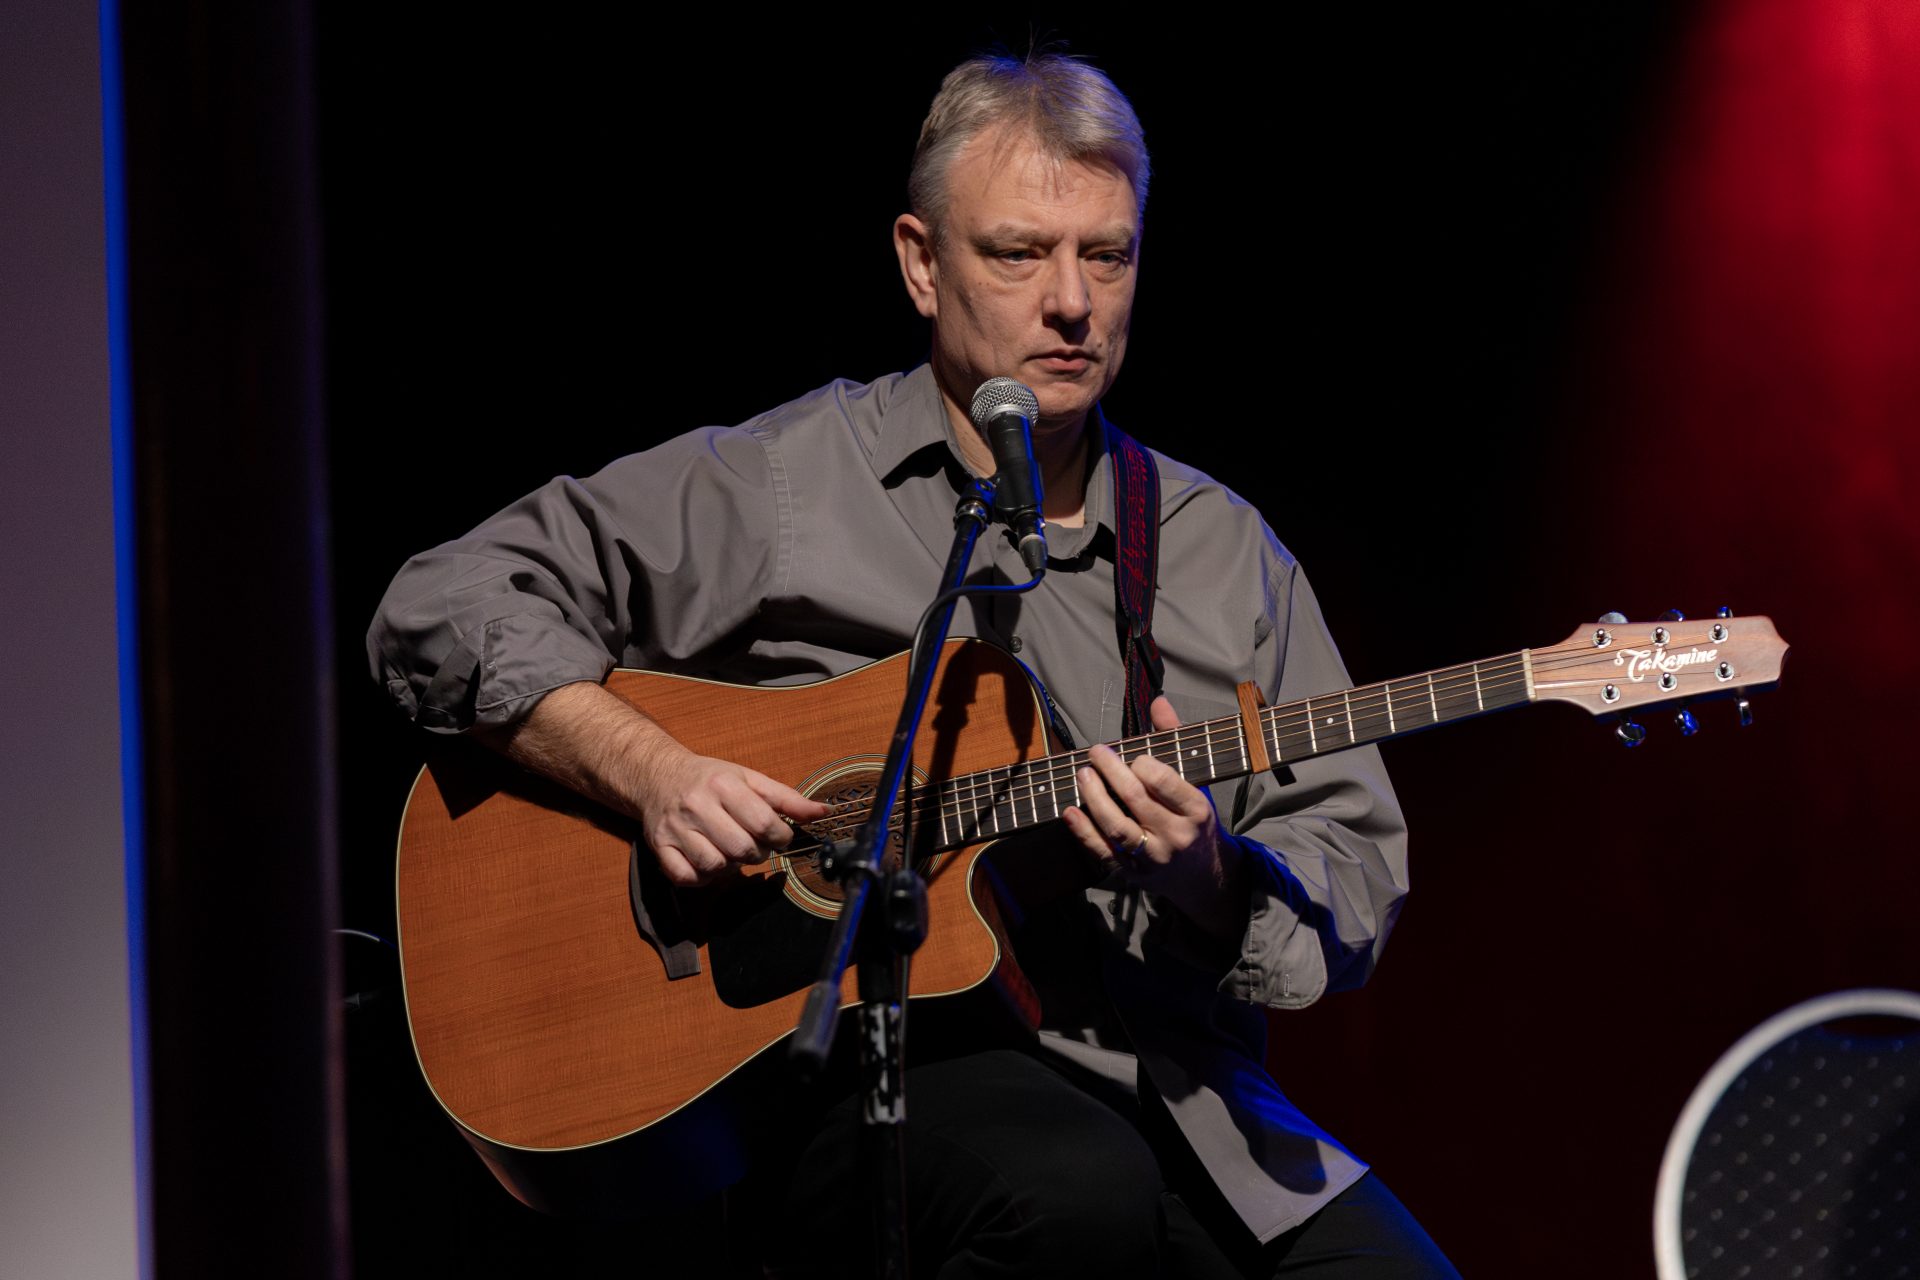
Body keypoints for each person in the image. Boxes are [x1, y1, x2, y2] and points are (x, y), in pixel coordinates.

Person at [370, 52, 1456, 1278]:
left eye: (1107, 255)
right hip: (869, 1082)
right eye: (1018, 252)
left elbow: (1353, 865)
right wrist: (655, 772)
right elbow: (444, 601)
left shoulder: (1223, 551)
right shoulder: (788, 483)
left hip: (1183, 1094)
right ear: (921, 263)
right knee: (1073, 1195)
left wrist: (1210, 873)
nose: (1072, 302)